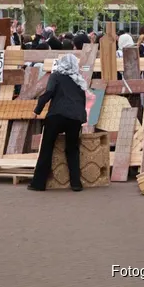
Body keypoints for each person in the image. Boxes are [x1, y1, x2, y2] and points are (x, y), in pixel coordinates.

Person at [30, 54, 87, 192]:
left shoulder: (55, 76)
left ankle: (38, 183)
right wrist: (82, 119)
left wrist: (37, 110)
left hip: (57, 115)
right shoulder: (79, 80)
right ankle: (76, 183)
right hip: (74, 118)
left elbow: (49, 92)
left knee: (47, 147)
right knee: (72, 149)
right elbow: (82, 101)